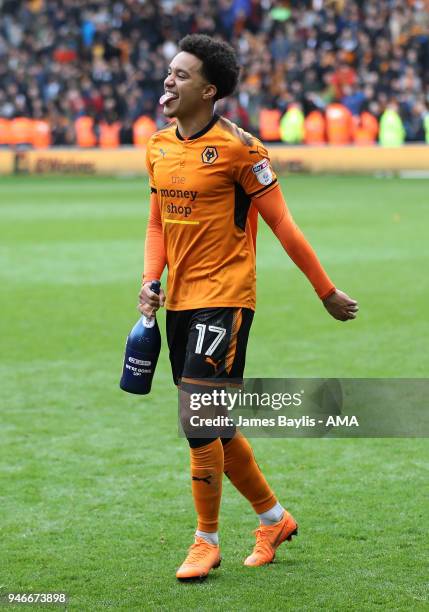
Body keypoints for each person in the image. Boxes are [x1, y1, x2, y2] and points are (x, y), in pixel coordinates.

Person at [138, 34, 358, 582]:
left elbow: (282, 222)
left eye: (182, 75)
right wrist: (150, 280)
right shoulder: (158, 146)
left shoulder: (243, 149)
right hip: (182, 302)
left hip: (227, 298)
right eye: (170, 71)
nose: (170, 80)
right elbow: (158, 222)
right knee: (216, 423)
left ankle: (204, 540)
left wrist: (324, 289)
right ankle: (274, 519)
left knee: (196, 421)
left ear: (209, 91)